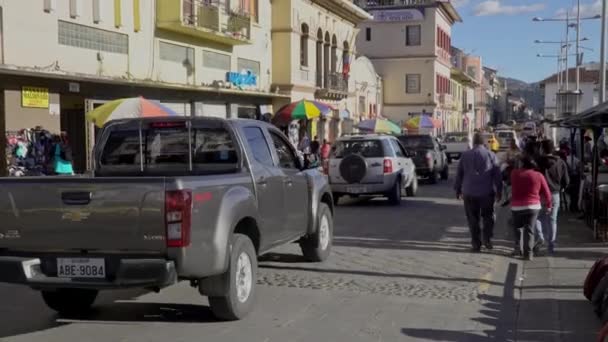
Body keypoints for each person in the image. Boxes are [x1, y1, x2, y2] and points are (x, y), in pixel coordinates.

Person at [454, 133, 503, 252]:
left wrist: (458, 189)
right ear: (483, 142)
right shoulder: (490, 155)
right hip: (486, 192)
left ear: (474, 142)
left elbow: (459, 174)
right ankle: (487, 238)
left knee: (472, 218)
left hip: (469, 192)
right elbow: (497, 175)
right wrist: (499, 191)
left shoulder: (465, 156)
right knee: (488, 216)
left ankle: (476, 243)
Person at [510, 155, 552, 260]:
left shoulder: (514, 174)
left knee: (518, 228)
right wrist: (549, 205)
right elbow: (547, 192)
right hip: (533, 206)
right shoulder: (539, 175)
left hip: (516, 207)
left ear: (522, 164)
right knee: (530, 230)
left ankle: (517, 249)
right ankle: (528, 254)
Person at [536, 140, 570, 254]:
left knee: (538, 218)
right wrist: (563, 187)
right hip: (555, 193)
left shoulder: (538, 161)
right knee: (553, 220)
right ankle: (551, 246)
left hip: (540, 194)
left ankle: (541, 237)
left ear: (542, 149)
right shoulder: (560, 162)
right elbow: (566, 180)